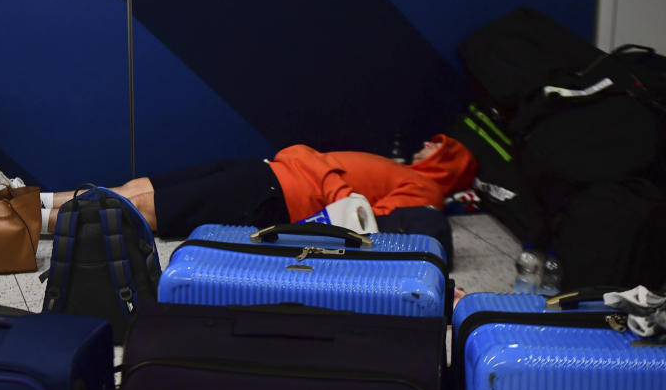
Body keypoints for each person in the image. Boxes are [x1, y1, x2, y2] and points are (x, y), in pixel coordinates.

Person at [44, 133, 478, 238]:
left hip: (278, 195)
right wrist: (309, 161)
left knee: (152, 207)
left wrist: (314, 168)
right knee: (144, 187)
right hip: (268, 172)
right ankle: (33, 205)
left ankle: (39, 222)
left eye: (436, 147)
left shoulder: (426, 192)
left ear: (445, 164)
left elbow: (364, 218)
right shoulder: (404, 171)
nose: (425, 144)